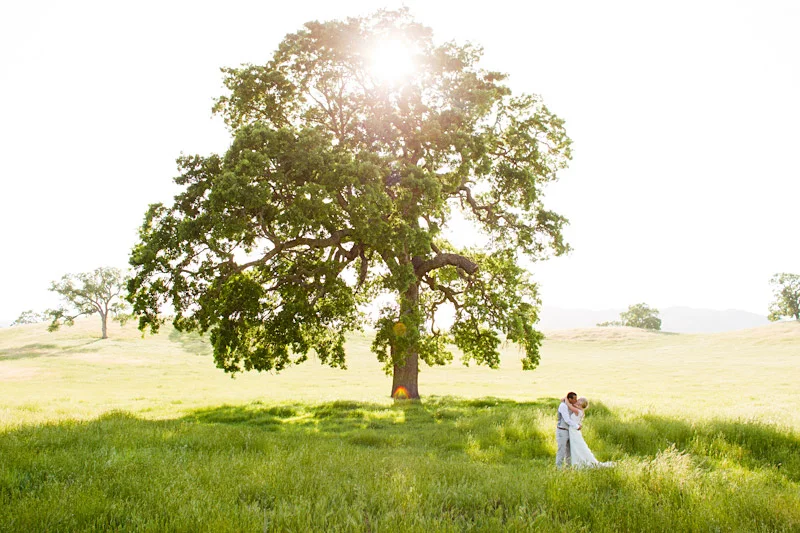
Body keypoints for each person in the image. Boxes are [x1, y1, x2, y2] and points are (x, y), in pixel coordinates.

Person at [562, 396, 614, 468]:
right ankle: (574, 462)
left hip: (574, 431)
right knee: (577, 447)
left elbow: (569, 405)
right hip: (574, 431)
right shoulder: (581, 411)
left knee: (576, 447)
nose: (576, 402)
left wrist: (566, 398)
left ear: (581, 405)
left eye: (578, 402)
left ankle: (577, 463)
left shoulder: (577, 411)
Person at [556, 392, 581, 467]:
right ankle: (558, 467)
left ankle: (568, 466)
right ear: (569, 399)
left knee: (569, 450)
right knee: (561, 450)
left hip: (569, 431)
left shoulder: (570, 405)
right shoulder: (563, 406)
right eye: (574, 399)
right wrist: (577, 426)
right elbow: (566, 419)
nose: (576, 400)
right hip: (562, 430)